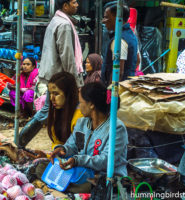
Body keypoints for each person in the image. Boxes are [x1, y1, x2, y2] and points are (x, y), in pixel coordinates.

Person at [18, 0, 84, 148]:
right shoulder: (65, 25)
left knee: (51, 109)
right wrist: (75, 83)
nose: (77, 5)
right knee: (53, 109)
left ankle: (64, 143)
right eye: (74, 2)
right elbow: (67, 56)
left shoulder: (56, 21)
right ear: (65, 5)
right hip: (60, 77)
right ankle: (21, 140)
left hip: (54, 75)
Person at [49, 82, 128, 192]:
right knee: (41, 168)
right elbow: (73, 145)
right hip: (84, 172)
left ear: (91, 104)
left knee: (71, 187)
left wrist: (77, 160)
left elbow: (105, 161)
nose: (79, 106)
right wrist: (63, 150)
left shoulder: (116, 128)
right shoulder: (82, 123)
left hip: (107, 179)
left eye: (80, 102)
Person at [101, 3, 138, 87]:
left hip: (119, 92)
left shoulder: (120, 40)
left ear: (117, 18)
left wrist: (110, 93)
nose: (103, 21)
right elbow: (137, 59)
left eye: (106, 17)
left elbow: (118, 73)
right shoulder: (131, 35)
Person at [47, 72, 83, 150]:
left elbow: (79, 150)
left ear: (68, 94)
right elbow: (57, 143)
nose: (51, 98)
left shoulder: (80, 117)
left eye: (56, 94)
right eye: (50, 94)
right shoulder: (57, 111)